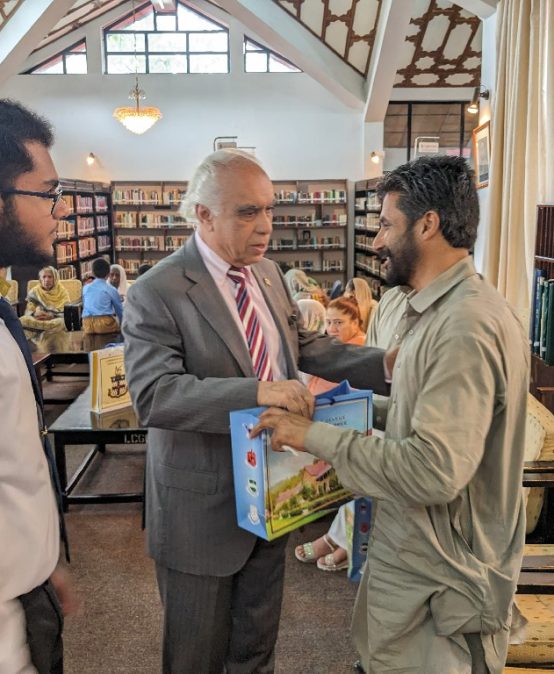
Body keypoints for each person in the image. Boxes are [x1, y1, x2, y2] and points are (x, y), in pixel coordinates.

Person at [254, 155, 529, 674]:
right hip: (422, 572)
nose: (377, 240)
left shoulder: (463, 328)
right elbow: (416, 415)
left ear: (428, 225)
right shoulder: (445, 311)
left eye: (385, 224)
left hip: (442, 592)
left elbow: (432, 470)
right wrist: (340, 414)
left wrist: (315, 436)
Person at [122, 149, 391, 674]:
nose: (266, 225)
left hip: (273, 495)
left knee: (256, 651)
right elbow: (154, 394)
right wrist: (260, 391)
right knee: (196, 656)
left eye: (269, 209)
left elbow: (307, 347)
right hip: (201, 511)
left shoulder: (267, 272)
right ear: (203, 214)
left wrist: (386, 364)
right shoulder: (158, 290)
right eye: (248, 212)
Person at [0, 99, 77, 674]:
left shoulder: (5, 313)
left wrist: (45, 555)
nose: (62, 209)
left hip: (25, 590)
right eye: (48, 193)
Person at [296, 289, 408, 573]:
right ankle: (342, 538)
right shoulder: (391, 300)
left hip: (392, 422)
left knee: (367, 468)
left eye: (339, 322)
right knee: (363, 467)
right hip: (373, 415)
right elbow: (371, 361)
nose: (332, 328)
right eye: (329, 322)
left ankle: (341, 539)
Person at [20, 265, 69, 333]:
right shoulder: (35, 291)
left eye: (50, 277)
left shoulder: (62, 291)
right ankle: (40, 332)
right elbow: (29, 310)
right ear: (40, 279)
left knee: (62, 322)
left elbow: (67, 312)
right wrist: (35, 313)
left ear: (55, 279)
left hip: (56, 318)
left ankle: (41, 331)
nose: (46, 280)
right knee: (22, 320)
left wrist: (51, 315)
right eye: (44, 277)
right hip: (38, 318)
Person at [82, 257, 123, 334]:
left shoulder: (85, 288)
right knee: (118, 323)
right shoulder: (111, 289)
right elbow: (119, 310)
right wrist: (122, 325)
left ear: (92, 273)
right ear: (108, 274)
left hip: (87, 323)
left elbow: (85, 305)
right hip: (104, 323)